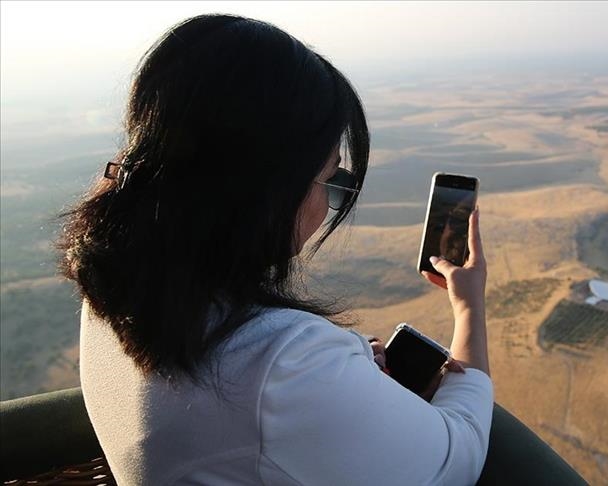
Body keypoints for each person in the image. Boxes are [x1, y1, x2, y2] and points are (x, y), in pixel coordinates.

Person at [58, 14, 492, 485]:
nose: (329, 201)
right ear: (268, 187)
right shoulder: (283, 361)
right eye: (329, 177)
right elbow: (458, 457)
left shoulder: (116, 284)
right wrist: (469, 304)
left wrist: (338, 386)